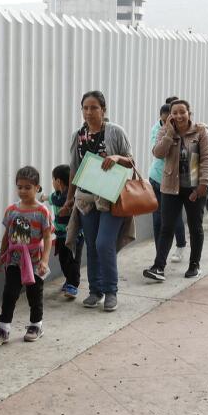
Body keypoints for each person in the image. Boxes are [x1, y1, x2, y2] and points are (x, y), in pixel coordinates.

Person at [64, 91, 135, 312]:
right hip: (85, 199)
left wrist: (116, 158)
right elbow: (74, 169)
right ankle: (95, 291)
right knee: (92, 246)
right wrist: (68, 200)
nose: (89, 112)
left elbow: (131, 161)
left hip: (111, 197)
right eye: (85, 108)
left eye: (94, 107)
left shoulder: (114, 132)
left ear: (103, 109)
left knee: (104, 244)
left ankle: (111, 291)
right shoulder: (78, 135)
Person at [143, 99, 208, 283]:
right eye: (175, 112)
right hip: (170, 187)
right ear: (170, 115)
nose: (179, 115)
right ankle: (158, 266)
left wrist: (203, 184)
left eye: (182, 112)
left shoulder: (200, 131)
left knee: (195, 226)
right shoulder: (165, 131)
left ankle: (194, 265)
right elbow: (158, 153)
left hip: (193, 188)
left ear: (189, 112)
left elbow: (207, 158)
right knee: (166, 227)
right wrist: (169, 135)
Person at [0, 166, 52, 346]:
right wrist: (1, 258)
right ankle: (3, 328)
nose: (23, 191)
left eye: (28, 187)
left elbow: (47, 237)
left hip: (35, 261)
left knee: (35, 294)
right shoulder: (11, 210)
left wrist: (45, 260)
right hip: (14, 260)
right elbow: (6, 236)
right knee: (10, 293)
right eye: (20, 187)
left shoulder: (42, 211)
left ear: (37, 188)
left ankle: (35, 325)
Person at [148, 100, 187, 264]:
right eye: (164, 120)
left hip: (173, 181)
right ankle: (160, 255)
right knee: (157, 219)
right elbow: (158, 153)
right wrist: (168, 133)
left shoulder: (186, 130)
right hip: (157, 178)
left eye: (169, 119)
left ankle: (180, 245)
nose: (167, 122)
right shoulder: (158, 129)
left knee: (174, 217)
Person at [48, 164, 83, 300]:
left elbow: (56, 200)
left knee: (73, 260)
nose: (52, 182)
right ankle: (69, 280)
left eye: (53, 179)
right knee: (64, 259)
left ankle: (73, 285)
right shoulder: (58, 194)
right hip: (61, 235)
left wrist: (46, 198)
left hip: (75, 235)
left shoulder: (68, 197)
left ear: (58, 181)